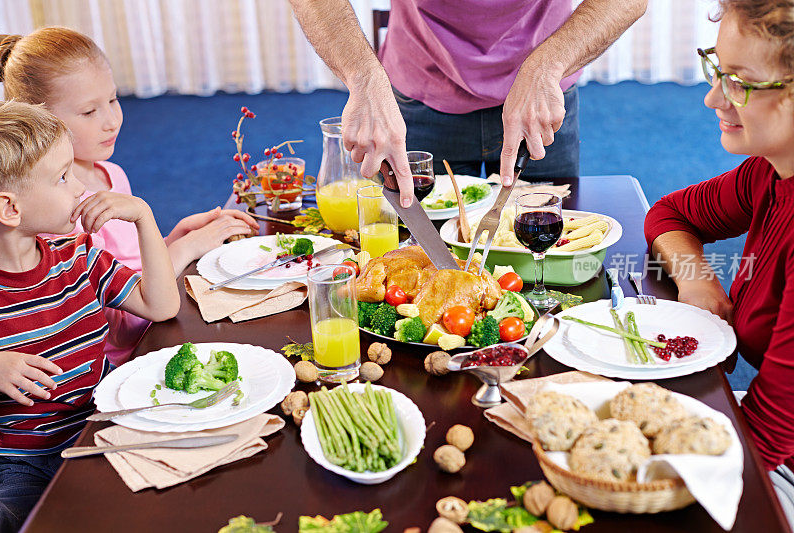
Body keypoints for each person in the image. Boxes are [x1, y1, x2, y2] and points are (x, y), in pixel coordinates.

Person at [0, 28, 259, 365]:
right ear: (40, 119)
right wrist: (186, 248)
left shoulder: (111, 173)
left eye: (114, 99)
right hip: (127, 358)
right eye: (89, 112)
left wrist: (173, 237)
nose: (112, 120)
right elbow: (125, 326)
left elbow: (125, 266)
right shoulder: (53, 213)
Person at [0, 99, 179, 532]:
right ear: (9, 209)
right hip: (31, 464)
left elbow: (161, 305)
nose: (80, 187)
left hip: (107, 430)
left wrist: (144, 217)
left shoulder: (77, 257)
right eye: (62, 177)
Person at [643, 0, 794, 520]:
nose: (712, 97)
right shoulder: (769, 171)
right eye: (717, 71)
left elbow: (768, 436)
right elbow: (670, 213)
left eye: (738, 81)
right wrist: (698, 282)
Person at [289, 0, 647, 206]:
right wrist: (363, 77)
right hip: (419, 90)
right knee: (419, 258)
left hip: (541, 92)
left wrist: (546, 66)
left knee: (548, 252)